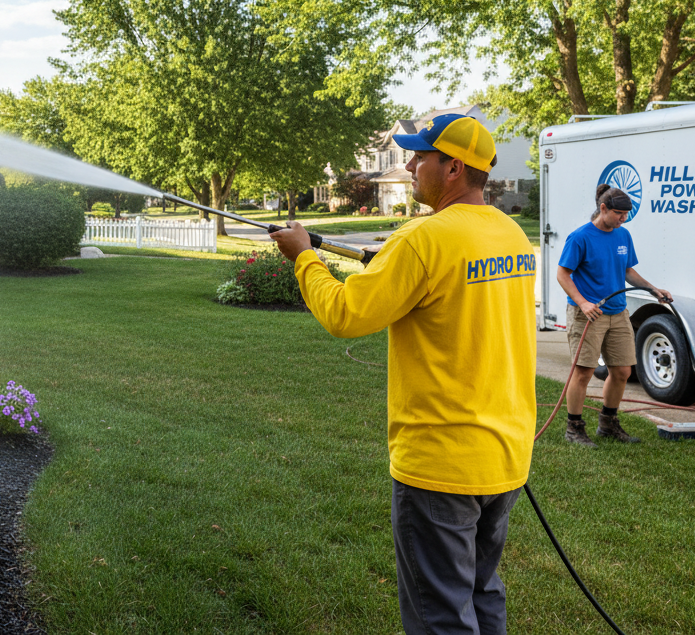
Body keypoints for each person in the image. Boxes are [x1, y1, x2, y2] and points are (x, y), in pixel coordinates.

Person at [270, 113, 536, 635]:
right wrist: (389, 265)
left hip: (441, 462)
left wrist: (304, 257)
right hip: (504, 454)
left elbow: (345, 314)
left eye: (420, 157)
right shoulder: (510, 234)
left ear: (453, 167)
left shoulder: (423, 238)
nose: (411, 166)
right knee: (482, 592)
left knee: (441, 617)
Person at [556, 185, 672, 447]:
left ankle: (608, 424)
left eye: (626, 214)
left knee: (622, 371)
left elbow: (627, 271)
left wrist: (652, 289)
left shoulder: (623, 235)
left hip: (618, 312)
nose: (624, 218)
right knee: (583, 373)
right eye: (619, 213)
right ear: (603, 208)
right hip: (588, 315)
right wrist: (583, 303)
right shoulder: (580, 237)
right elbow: (562, 274)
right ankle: (574, 428)